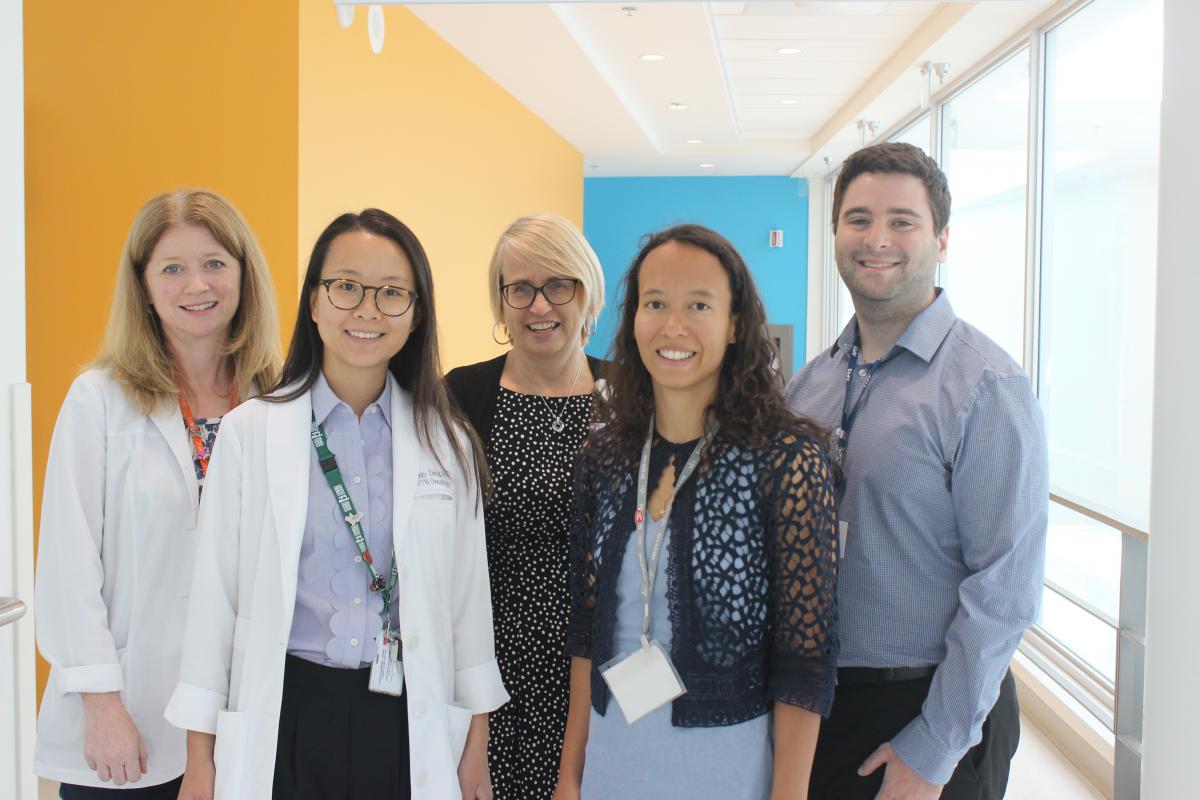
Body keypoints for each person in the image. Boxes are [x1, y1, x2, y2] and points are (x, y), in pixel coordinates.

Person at [165, 209, 509, 799]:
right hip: (289, 715)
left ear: (416, 311)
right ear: (315, 302)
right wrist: (200, 763)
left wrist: (474, 749)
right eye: (346, 287)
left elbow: (468, 610)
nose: (367, 310)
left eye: (392, 293)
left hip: (406, 720)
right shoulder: (251, 434)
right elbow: (213, 606)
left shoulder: (446, 442)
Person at [786, 142, 1048, 800]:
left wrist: (934, 749)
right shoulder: (811, 384)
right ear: (836, 233)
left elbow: (1006, 588)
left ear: (942, 238)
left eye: (903, 220)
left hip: (928, 711)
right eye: (858, 219)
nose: (877, 239)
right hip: (817, 704)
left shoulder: (985, 386)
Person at [555, 224, 839, 800]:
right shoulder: (605, 456)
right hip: (614, 760)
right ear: (633, 318)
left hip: (726, 769)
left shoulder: (785, 462)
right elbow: (586, 633)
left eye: (699, 305)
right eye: (654, 303)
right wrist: (570, 776)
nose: (672, 325)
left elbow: (804, 661)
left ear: (736, 325)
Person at [33, 190, 280, 798]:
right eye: (172, 268)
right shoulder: (99, 400)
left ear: (245, 275)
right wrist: (102, 707)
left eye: (216, 263)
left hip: (248, 716)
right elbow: (68, 568)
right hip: (134, 723)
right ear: (144, 286)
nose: (197, 284)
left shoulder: (279, 400)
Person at [446, 214, 606, 800]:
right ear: (502, 301)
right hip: (490, 674)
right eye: (520, 288)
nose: (540, 304)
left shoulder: (631, 398)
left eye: (559, 284)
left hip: (599, 673)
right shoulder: (460, 397)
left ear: (586, 292)